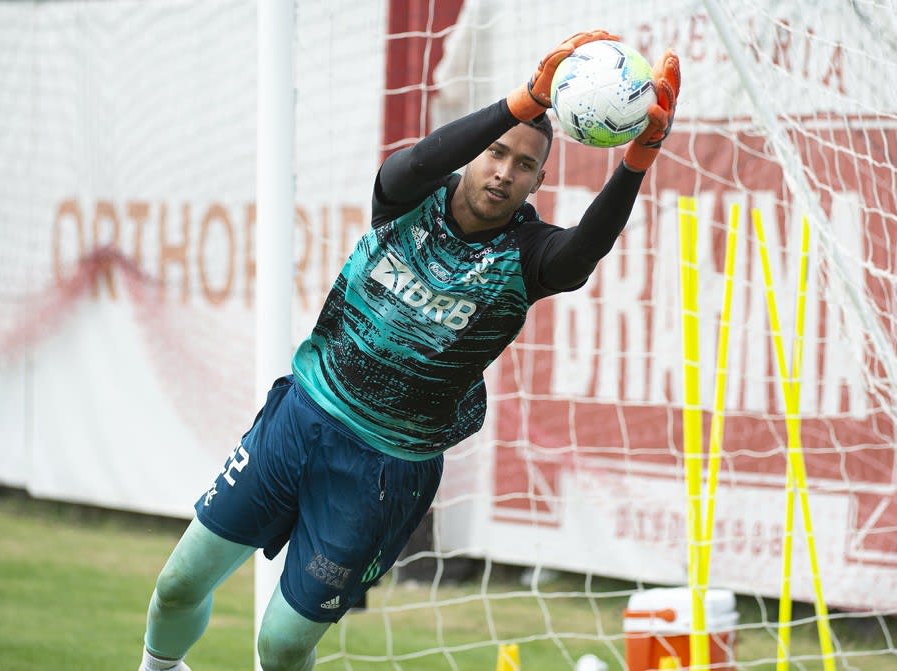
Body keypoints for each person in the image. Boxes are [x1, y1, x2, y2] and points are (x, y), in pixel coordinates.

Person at [137, 29, 680, 671]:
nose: (504, 172)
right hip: (300, 419)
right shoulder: (407, 195)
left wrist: (636, 162)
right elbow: (415, 163)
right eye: (496, 153)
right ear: (475, 152)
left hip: (385, 471)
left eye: (525, 165)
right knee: (176, 586)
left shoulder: (529, 255)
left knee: (280, 646)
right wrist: (526, 98)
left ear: (538, 181)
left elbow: (581, 254)